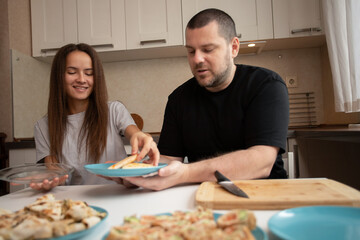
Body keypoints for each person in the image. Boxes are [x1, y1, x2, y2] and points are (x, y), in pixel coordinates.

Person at [120, 8, 289, 190]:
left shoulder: (265, 85)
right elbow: (169, 159)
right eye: (191, 51)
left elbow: (261, 162)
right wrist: (132, 171)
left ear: (234, 48)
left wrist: (185, 173)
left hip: (266, 194)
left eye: (207, 49)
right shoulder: (179, 99)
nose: (197, 59)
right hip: (202, 196)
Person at [32, 43, 159, 190]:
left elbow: (134, 132)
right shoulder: (43, 126)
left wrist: (140, 136)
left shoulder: (114, 110)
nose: (81, 79)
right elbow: (54, 172)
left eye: (89, 73)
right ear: (59, 77)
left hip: (118, 192)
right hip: (75, 200)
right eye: (72, 72)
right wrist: (50, 181)